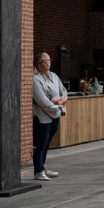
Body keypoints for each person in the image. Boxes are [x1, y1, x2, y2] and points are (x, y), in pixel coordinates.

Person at [31, 52, 68, 180]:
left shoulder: (54, 76)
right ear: (38, 64)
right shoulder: (35, 80)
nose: (47, 63)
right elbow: (43, 101)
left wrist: (61, 101)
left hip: (55, 114)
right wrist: (56, 105)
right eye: (44, 61)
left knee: (47, 143)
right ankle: (38, 170)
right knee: (41, 143)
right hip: (42, 116)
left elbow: (63, 91)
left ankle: (43, 166)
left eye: (48, 60)